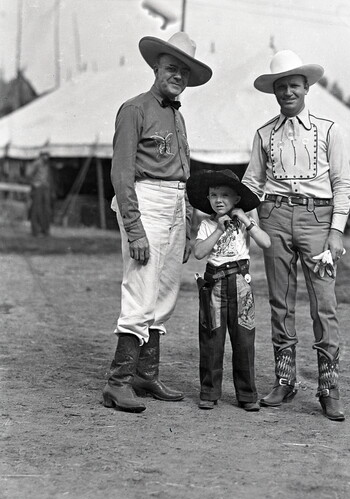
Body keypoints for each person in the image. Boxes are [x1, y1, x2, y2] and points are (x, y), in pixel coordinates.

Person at [102, 32, 212, 413]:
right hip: (145, 201)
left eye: (184, 71)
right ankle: (117, 383)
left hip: (174, 204)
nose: (177, 75)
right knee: (140, 287)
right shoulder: (135, 109)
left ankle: (145, 375)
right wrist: (133, 227)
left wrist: (187, 226)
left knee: (165, 292)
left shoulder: (177, 115)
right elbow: (121, 172)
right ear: (155, 68)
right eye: (171, 68)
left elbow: (181, 175)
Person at [242, 50, 350, 421]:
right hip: (273, 217)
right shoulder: (263, 134)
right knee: (279, 299)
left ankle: (329, 387)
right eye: (281, 87)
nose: (288, 92)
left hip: (317, 219)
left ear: (306, 87)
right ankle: (285, 380)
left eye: (294, 85)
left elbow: (342, 183)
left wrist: (336, 231)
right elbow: (251, 183)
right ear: (274, 92)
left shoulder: (329, 130)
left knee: (324, 303)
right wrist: (251, 221)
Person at [187, 169, 271, 411]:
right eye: (213, 195)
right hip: (214, 285)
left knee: (244, 340)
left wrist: (246, 220)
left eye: (225, 195)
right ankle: (209, 392)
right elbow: (200, 252)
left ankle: (246, 395)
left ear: (236, 200)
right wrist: (218, 230)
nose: (219, 200)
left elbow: (265, 242)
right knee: (212, 338)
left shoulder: (245, 225)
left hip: (240, 284)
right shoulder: (207, 224)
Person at [28, 150, 53, 237]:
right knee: (36, 209)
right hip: (37, 187)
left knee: (46, 210)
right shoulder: (36, 163)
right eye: (45, 155)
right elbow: (29, 174)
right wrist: (35, 183)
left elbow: (47, 176)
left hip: (45, 187)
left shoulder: (47, 165)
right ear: (41, 155)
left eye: (47, 155)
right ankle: (35, 231)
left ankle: (45, 230)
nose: (46, 157)